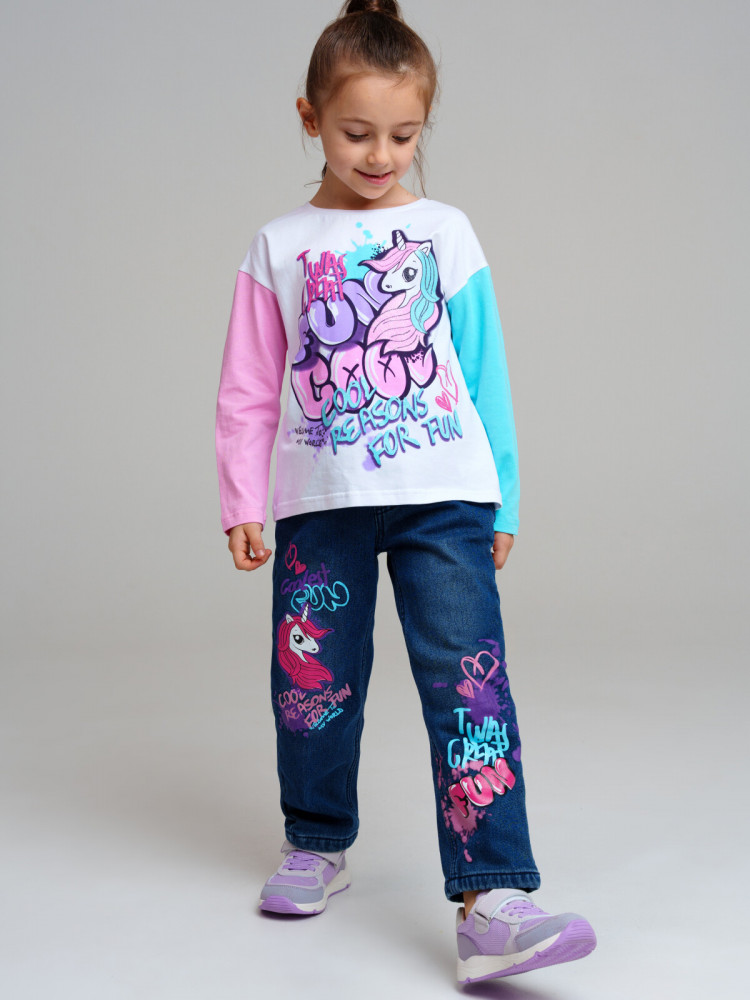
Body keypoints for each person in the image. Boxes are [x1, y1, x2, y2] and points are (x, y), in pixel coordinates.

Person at [215, 0, 596, 984]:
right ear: (309, 118)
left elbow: (484, 370)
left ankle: (493, 899)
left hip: (444, 496)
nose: (381, 155)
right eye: (356, 133)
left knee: (469, 682)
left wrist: (504, 498)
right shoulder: (279, 244)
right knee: (313, 686)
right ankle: (315, 840)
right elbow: (249, 386)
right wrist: (241, 498)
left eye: (404, 134)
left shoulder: (445, 232)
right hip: (322, 500)